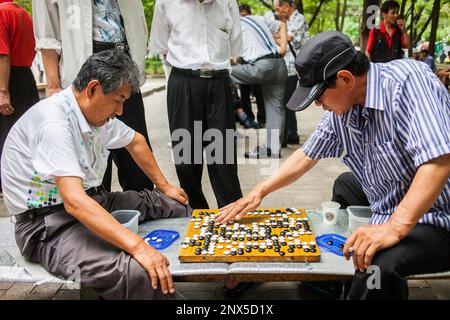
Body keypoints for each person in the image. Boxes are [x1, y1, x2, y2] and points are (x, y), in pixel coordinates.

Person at [216, 31, 450, 300]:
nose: (318, 105)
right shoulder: (344, 107)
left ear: (346, 79)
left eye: (318, 97)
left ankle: (365, 287)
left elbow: (439, 162)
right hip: (394, 199)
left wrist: (393, 227)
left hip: (438, 216)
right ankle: (331, 281)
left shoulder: (409, 82)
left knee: (376, 260)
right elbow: (306, 155)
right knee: (346, 185)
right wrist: (259, 191)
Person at [1, 50, 192, 300]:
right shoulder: (54, 123)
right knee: (136, 273)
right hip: (47, 227)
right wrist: (138, 247)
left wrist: (165, 186)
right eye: (118, 100)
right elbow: (74, 202)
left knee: (175, 204)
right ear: (93, 89)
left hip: (91, 201)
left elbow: (136, 141)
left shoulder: (96, 115)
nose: (121, 110)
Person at [32, 0, 154, 193]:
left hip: (126, 68)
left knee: (137, 171)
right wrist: (53, 85)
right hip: (84, 70)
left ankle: (143, 215)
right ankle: (95, 219)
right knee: (91, 171)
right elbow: (47, 35)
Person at [149, 0, 244, 210]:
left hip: (219, 83)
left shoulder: (227, 2)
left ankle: (231, 213)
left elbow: (235, 46)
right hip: (183, 82)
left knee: (223, 156)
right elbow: (161, 45)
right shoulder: (166, 2)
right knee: (186, 158)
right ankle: (197, 213)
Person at [231, 13, 288, 159]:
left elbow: (234, 58)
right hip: (279, 64)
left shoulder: (230, 25)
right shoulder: (258, 18)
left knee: (221, 74)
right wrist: (283, 47)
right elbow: (282, 24)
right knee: (275, 108)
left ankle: (232, 117)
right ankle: (272, 149)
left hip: (261, 67)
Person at [0, 0, 39, 199]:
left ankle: (5, 186)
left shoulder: (1, 12)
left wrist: (2, 91)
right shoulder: (24, 14)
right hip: (26, 76)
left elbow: (2, 55)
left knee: (6, 135)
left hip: (8, 79)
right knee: (24, 134)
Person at [274, 0, 310, 146]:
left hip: (293, 66)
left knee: (286, 101)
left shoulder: (298, 18)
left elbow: (289, 38)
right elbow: (283, 38)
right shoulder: (285, 21)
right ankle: (290, 134)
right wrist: (280, 35)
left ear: (286, 6)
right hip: (285, 66)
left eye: (279, 9)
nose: (277, 12)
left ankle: (289, 134)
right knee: (286, 100)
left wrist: (274, 35)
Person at [238, 3, 266, 128]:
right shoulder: (237, 25)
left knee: (259, 92)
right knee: (244, 93)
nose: (243, 18)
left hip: (257, 60)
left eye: (245, 15)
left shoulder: (255, 25)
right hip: (243, 60)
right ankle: (249, 119)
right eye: (241, 16)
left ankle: (262, 119)